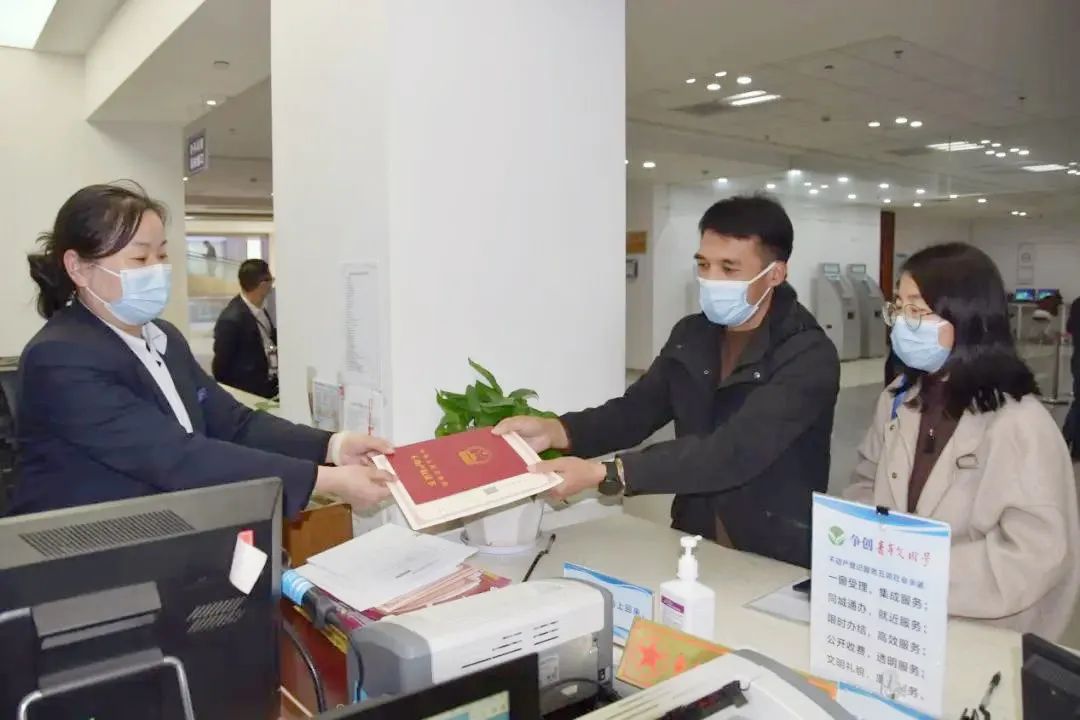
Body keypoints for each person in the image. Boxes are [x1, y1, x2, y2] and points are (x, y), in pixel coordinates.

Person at [13, 182, 394, 519]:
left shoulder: (163, 338)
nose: (157, 269)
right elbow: (177, 457)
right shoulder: (61, 357)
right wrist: (325, 480)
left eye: (162, 255)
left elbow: (234, 424)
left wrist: (332, 445)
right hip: (88, 561)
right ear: (78, 268)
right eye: (140, 258)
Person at [495, 194, 840, 567]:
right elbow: (636, 411)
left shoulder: (807, 354)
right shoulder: (692, 335)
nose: (711, 279)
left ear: (775, 274)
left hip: (776, 548)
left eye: (729, 268)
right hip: (695, 535)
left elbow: (734, 450)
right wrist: (558, 431)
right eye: (704, 264)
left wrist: (609, 473)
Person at [846, 243, 1080, 639]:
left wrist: (919, 571)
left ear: (967, 318)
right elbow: (866, 479)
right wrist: (869, 545)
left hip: (982, 630)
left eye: (917, 310)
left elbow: (1033, 554)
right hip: (896, 615)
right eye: (898, 308)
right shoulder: (898, 398)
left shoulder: (1019, 423)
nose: (900, 323)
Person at [213, 259, 279, 398]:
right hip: (250, 394)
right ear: (263, 285)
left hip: (270, 388)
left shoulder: (260, 309)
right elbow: (220, 369)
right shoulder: (230, 320)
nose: (272, 285)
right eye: (271, 281)